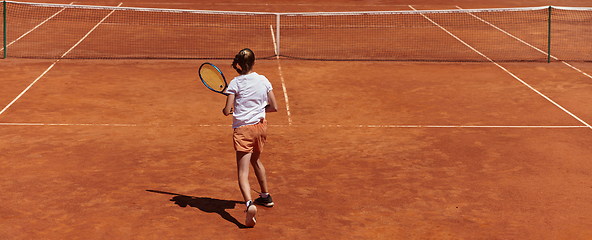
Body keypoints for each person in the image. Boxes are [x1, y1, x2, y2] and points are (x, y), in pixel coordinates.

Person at [222, 48, 278, 228]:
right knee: (257, 161)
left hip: (243, 131)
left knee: (242, 174)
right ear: (254, 62)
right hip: (260, 128)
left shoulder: (234, 83)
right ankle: (265, 196)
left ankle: (249, 204)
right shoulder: (263, 80)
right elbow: (273, 107)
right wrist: (259, 110)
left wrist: (230, 109)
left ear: (239, 63)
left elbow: (226, 110)